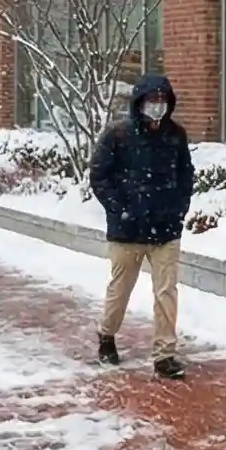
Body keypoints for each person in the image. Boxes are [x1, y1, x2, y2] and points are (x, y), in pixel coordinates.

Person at [89, 73, 193, 379]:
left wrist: (178, 210)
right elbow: (99, 176)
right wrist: (119, 209)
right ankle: (107, 335)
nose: (157, 107)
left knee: (166, 293)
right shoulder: (118, 136)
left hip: (166, 231)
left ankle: (165, 354)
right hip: (127, 232)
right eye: (152, 101)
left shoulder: (176, 136)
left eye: (162, 101)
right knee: (120, 289)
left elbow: (186, 176)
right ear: (140, 103)